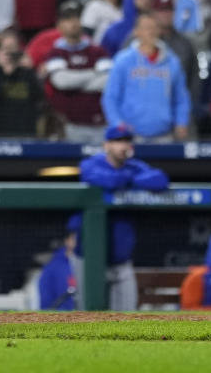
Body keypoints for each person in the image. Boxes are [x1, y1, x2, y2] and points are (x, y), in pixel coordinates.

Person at [76, 124, 169, 311]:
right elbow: (106, 180)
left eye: (127, 141)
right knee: (88, 316)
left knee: (127, 318)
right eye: (118, 141)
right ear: (106, 145)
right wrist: (130, 179)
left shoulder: (135, 166)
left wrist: (128, 178)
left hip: (122, 259)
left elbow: (160, 180)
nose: (123, 146)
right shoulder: (91, 163)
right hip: (90, 258)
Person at [102, 13, 191, 141]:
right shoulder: (123, 60)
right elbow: (110, 97)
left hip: (164, 134)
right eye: (146, 28)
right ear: (136, 32)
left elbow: (181, 98)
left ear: (160, 31)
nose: (151, 32)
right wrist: (118, 124)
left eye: (154, 27)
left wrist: (181, 122)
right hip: (130, 135)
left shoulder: (172, 62)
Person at [44, 1, 111, 143]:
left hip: (99, 122)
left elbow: (107, 81)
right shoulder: (55, 52)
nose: (73, 23)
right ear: (60, 26)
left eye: (76, 18)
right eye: (68, 19)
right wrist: (94, 73)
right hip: (69, 123)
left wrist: (75, 81)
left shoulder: (97, 51)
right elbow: (62, 82)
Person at [38, 219, 79, 310]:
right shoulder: (53, 267)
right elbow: (46, 304)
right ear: (67, 240)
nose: (79, 241)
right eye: (75, 237)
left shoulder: (91, 265)